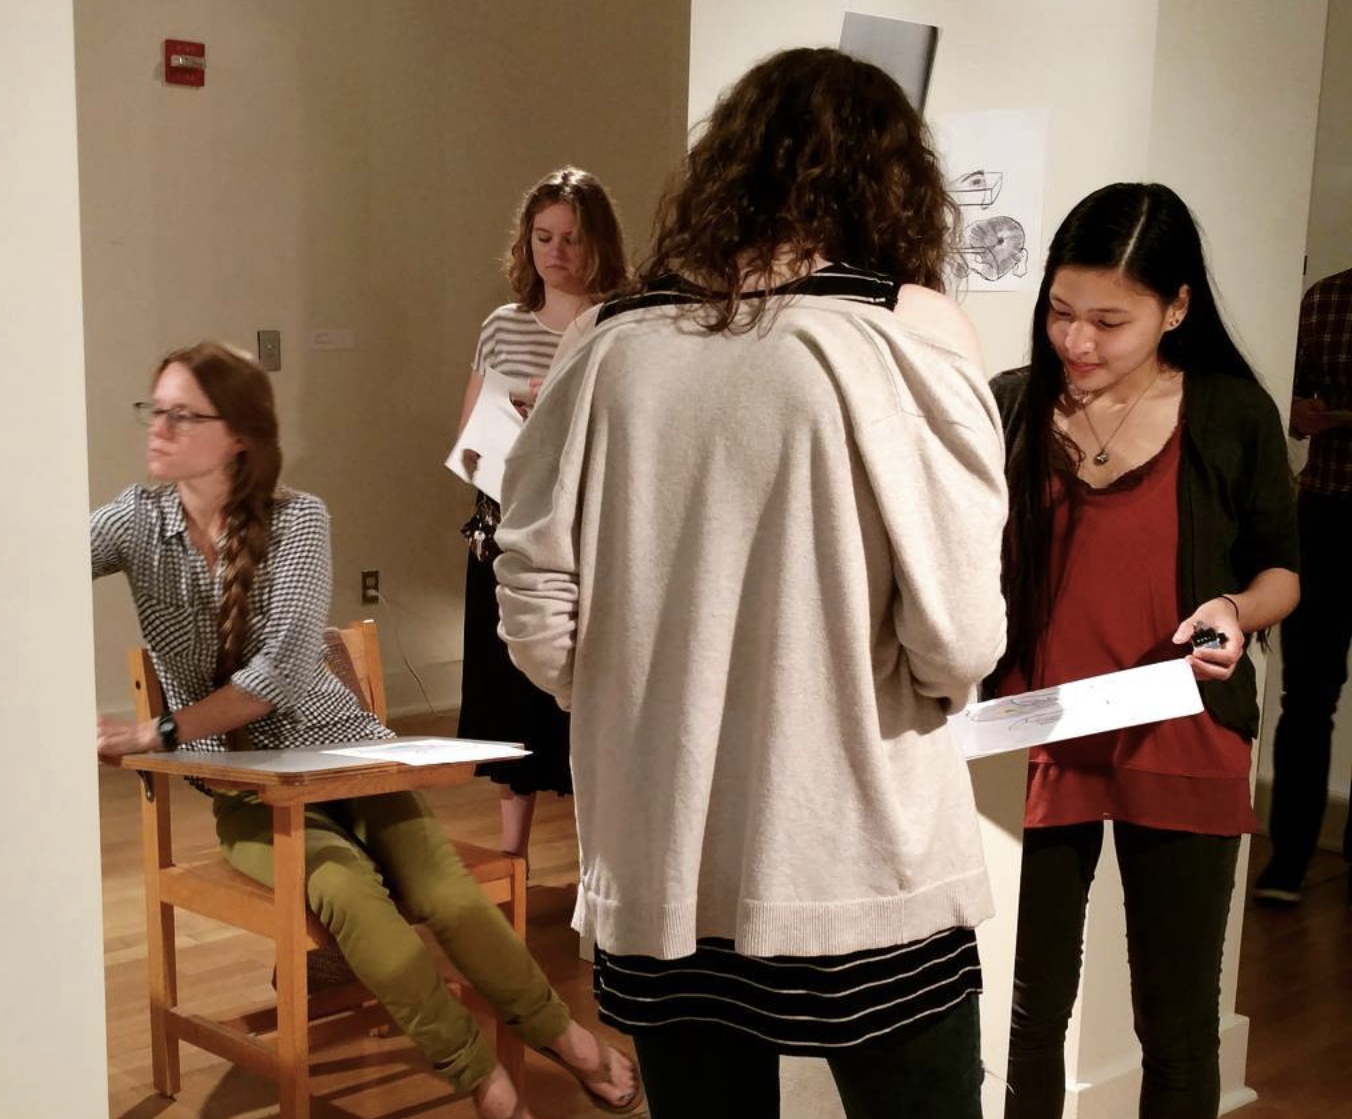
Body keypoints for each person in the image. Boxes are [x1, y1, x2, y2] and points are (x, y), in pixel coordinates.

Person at [494, 49, 1008, 1119]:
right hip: (858, 845)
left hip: (661, 846)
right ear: (890, 181)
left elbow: (534, 602)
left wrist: (639, 708)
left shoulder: (606, 340)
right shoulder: (905, 331)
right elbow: (960, 637)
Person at [92, 342, 640, 1119]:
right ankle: (481, 1077)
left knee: (448, 896)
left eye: (184, 415)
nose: (160, 427)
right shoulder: (135, 521)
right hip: (251, 795)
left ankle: (567, 1039)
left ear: (238, 435)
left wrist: (157, 729)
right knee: (353, 898)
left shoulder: (298, 517)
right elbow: (30, 568)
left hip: (351, 758)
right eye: (156, 410)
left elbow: (280, 673)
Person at [987, 183, 1300, 1119]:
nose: (1077, 341)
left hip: (1181, 732)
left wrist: (1236, 609)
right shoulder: (1012, 404)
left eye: (1109, 321)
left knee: (1177, 1023)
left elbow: (1282, 569)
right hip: (1033, 732)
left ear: (1176, 307)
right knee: (1025, 1013)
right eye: (1061, 312)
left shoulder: (1230, 412)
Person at [453, 167, 627, 859]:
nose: (555, 252)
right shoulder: (501, 325)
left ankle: (595, 865)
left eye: (571, 238)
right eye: (543, 237)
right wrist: (514, 417)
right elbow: (468, 445)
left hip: (587, 531)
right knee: (509, 698)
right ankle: (512, 857)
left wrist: (548, 402)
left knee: (587, 696)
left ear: (598, 242)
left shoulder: (619, 321)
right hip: (508, 522)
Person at [1255, 265, 1352, 906]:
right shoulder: (1326, 299)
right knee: (1307, 695)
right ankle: (1288, 860)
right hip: (1326, 512)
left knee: (1309, 699)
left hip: (1327, 510)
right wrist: (1297, 410)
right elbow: (1285, 389)